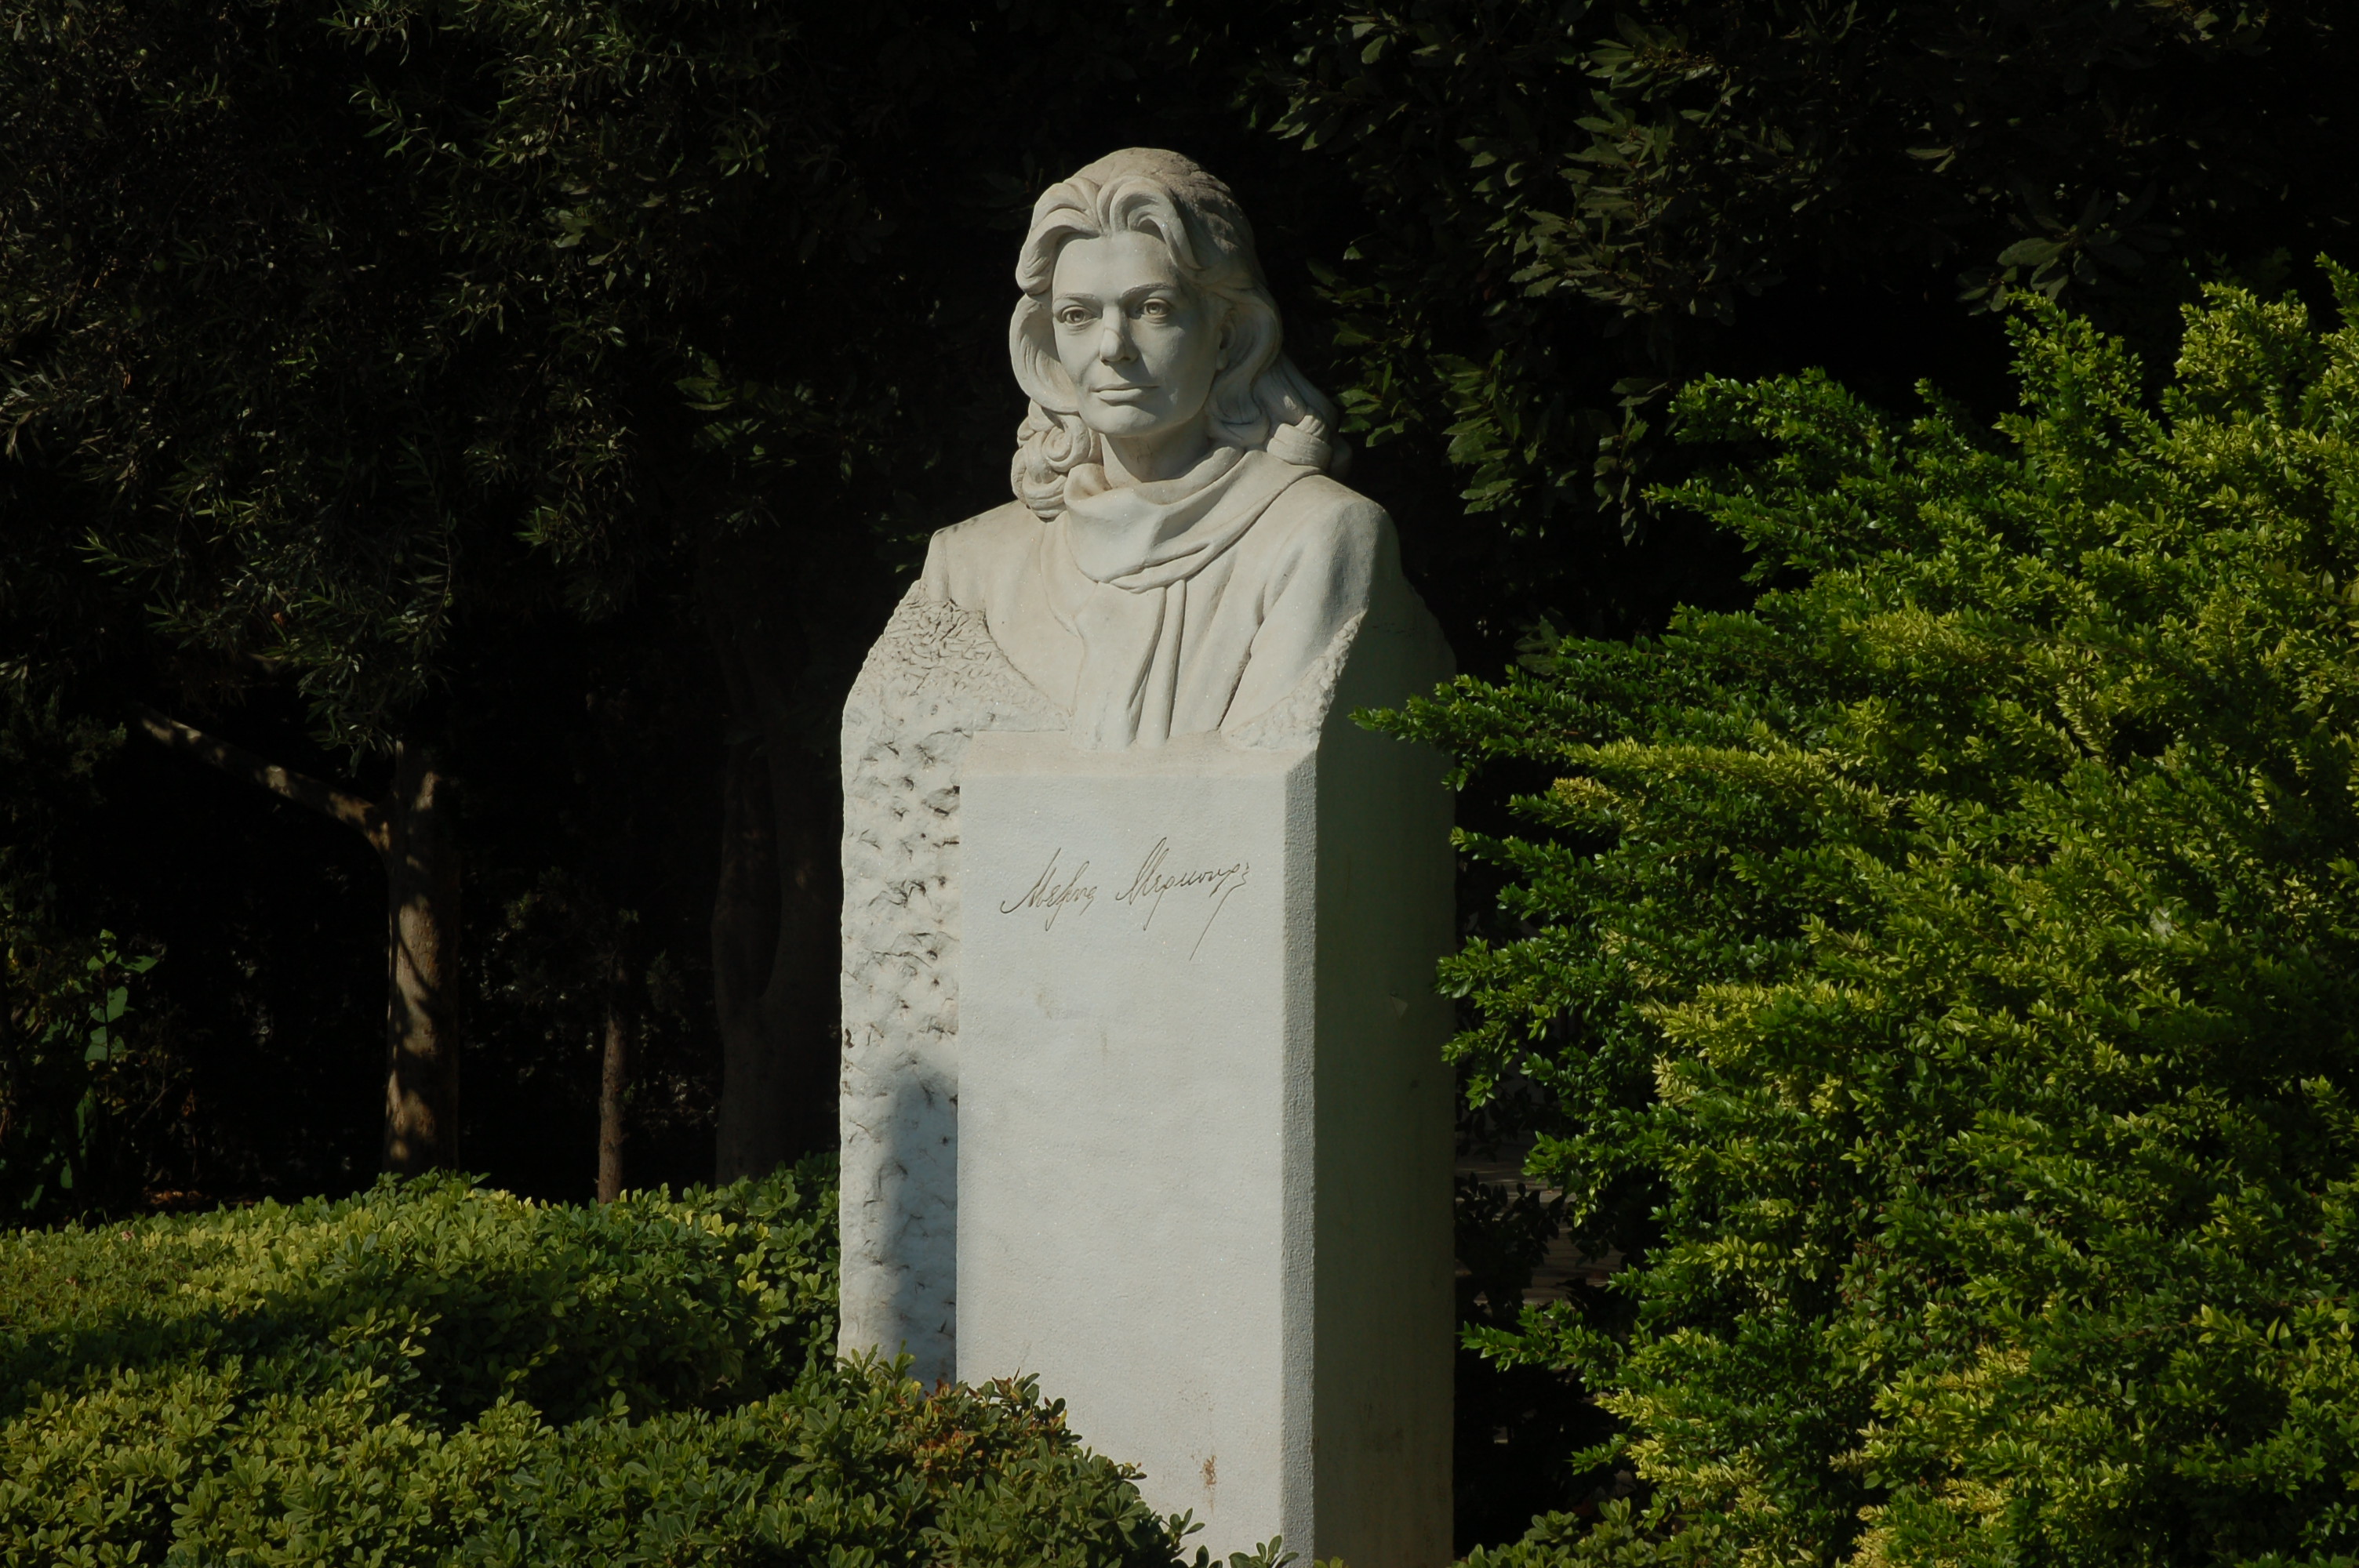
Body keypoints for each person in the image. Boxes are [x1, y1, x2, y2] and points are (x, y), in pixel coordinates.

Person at [916, 147, 1401, 751]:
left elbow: (1265, 778)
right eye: (1077, 315)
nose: (1112, 346)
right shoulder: (969, 566)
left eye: (1152, 308)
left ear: (1228, 335)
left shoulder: (1317, 536)